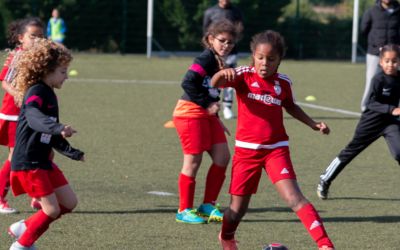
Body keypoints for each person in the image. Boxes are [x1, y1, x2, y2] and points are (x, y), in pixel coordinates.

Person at [211, 30, 335, 250]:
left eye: (271, 59)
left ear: (279, 61)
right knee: (237, 209)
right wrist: (223, 75)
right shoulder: (243, 75)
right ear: (253, 56)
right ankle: (227, 236)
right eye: (260, 57)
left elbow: (290, 106)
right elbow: (216, 83)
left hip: (276, 149)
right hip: (246, 152)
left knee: (295, 198)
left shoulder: (283, 83)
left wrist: (313, 124)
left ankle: (325, 245)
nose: (264, 63)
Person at [7, 38, 84, 250]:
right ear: (46, 70)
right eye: (62, 71)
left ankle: (24, 227)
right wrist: (57, 127)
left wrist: (71, 151)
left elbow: (47, 130)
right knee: (51, 211)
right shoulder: (36, 92)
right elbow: (33, 116)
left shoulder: (48, 92)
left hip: (42, 161)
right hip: (29, 162)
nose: (66, 76)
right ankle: (22, 245)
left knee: (69, 203)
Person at [172, 19, 240, 224]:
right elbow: (188, 82)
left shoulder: (222, 61)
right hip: (189, 112)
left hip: (206, 115)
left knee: (222, 157)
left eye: (230, 42)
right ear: (211, 39)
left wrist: (216, 118)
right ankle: (183, 210)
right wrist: (207, 105)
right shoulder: (205, 58)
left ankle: (207, 205)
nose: (226, 45)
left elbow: (211, 93)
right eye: (222, 41)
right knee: (193, 161)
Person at [317, 44, 400, 200]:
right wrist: (392, 109)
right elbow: (370, 103)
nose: (390, 64)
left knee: (399, 152)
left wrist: (392, 113)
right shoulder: (378, 79)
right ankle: (325, 179)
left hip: (390, 123)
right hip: (371, 123)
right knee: (350, 152)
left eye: (394, 61)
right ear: (381, 62)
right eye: (387, 61)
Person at [0, 17, 45, 214]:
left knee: (44, 151)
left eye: (40, 37)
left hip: (33, 114)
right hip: (14, 114)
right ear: (21, 38)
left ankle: (37, 195)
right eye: (32, 36)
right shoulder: (17, 57)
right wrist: (18, 94)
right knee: (15, 156)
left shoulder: (39, 57)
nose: (37, 40)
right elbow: (5, 82)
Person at [203, 0, 243, 119]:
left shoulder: (236, 12)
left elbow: (239, 32)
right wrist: (211, 51)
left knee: (230, 78)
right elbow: (205, 32)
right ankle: (208, 105)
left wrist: (229, 45)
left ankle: (227, 107)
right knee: (209, 79)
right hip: (214, 53)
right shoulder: (210, 12)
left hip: (231, 53)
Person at [360, 0, 400, 111]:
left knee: (396, 81)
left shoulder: (398, 11)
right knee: (372, 80)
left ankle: (395, 109)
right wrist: (377, 45)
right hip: (375, 53)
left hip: (395, 54)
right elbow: (364, 30)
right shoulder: (371, 11)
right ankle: (366, 108)